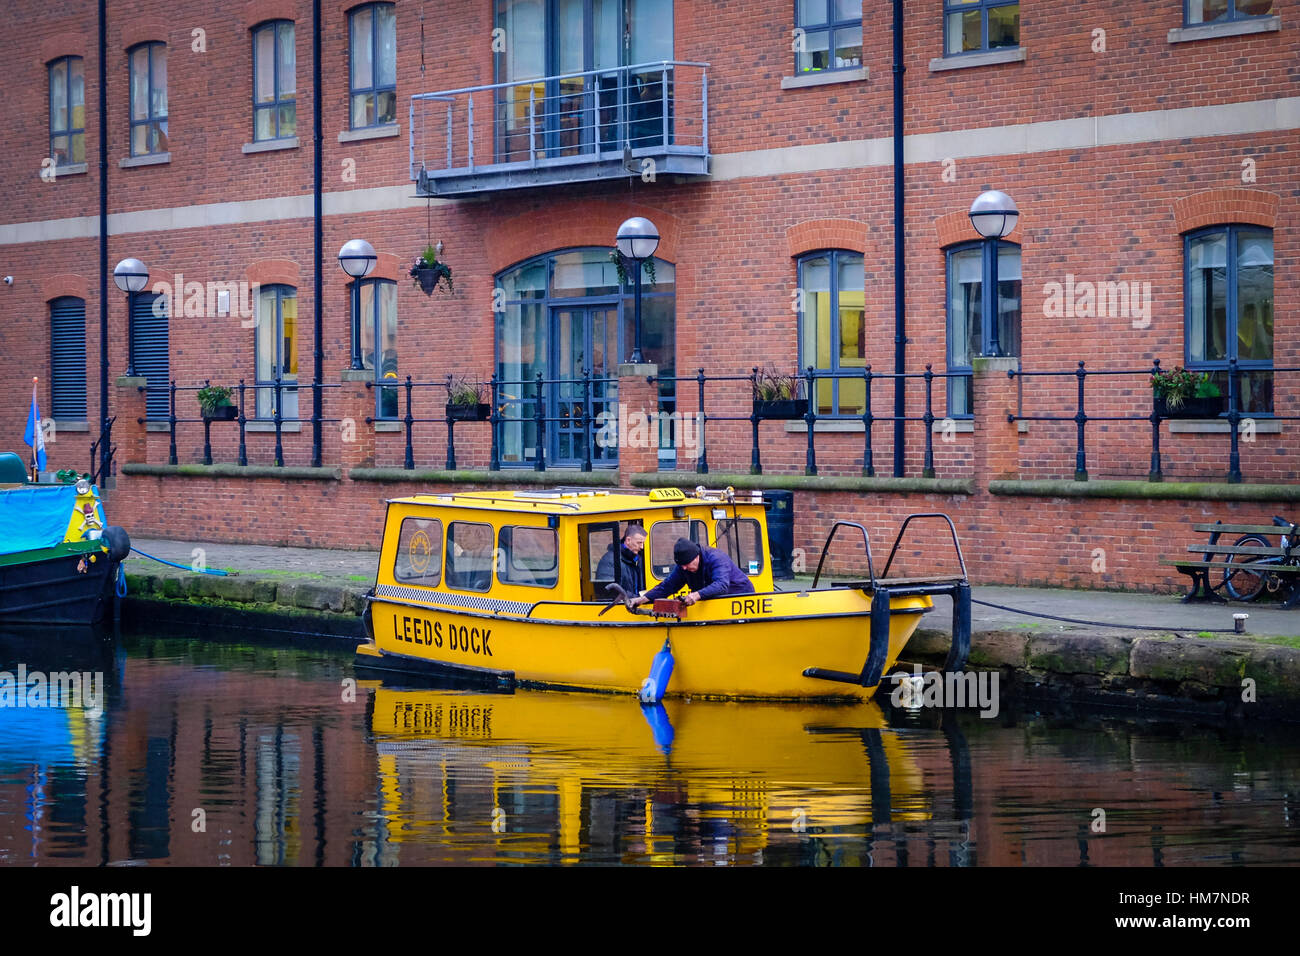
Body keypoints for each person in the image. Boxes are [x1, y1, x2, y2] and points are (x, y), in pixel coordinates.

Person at [630, 537, 755, 607]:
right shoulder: (683, 567)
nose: (684, 568)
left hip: (741, 600)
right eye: (681, 565)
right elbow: (667, 586)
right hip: (716, 604)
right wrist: (643, 599)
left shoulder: (717, 558)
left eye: (686, 564)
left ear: (696, 557)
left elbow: (721, 585)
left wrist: (696, 595)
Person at [595, 524, 646, 596]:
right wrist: (637, 598)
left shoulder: (636, 559)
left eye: (643, 543)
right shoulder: (609, 561)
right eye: (639, 543)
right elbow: (608, 591)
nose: (642, 547)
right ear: (628, 540)